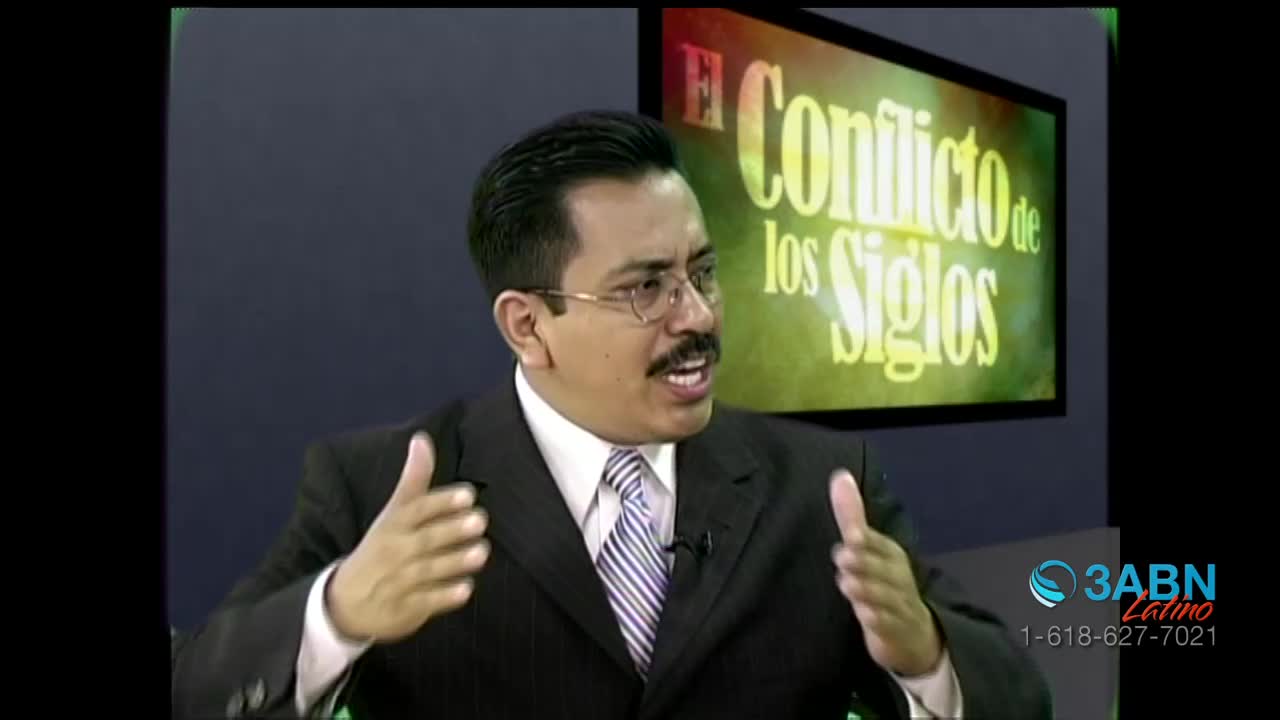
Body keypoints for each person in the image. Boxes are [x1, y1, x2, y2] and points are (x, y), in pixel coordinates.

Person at [171, 110, 1053, 719]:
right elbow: (196, 694)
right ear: (528, 325)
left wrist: (926, 654)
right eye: (645, 288)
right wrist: (338, 615)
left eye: (702, 273)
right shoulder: (378, 488)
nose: (698, 316)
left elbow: (1021, 696)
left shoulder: (825, 486)